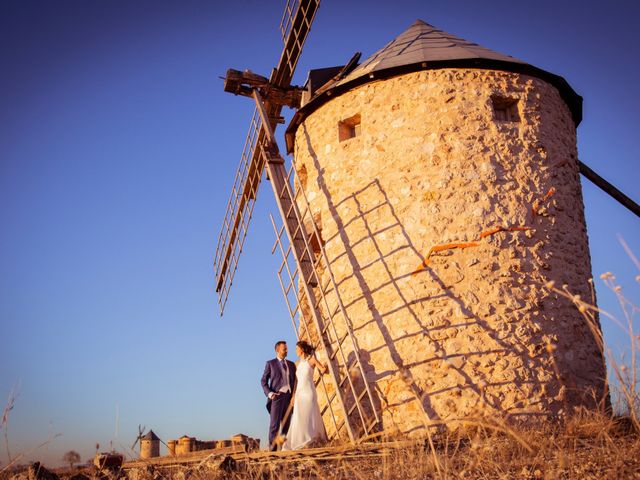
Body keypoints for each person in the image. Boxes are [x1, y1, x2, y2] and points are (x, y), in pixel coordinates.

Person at [282, 340, 328, 450]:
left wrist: (325, 366)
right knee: (299, 417)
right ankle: (300, 440)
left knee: (310, 415)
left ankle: (312, 439)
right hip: (299, 394)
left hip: (309, 392)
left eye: (297, 348)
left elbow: (322, 370)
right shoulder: (297, 364)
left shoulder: (312, 360)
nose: (295, 350)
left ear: (302, 349)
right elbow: (296, 382)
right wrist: (293, 396)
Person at [261, 340, 297, 451]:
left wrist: (293, 395)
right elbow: (263, 381)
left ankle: (285, 449)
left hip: (288, 397)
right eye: (284, 349)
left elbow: (295, 381)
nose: (286, 350)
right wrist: (270, 394)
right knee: (274, 426)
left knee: (286, 425)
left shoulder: (291, 364)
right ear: (277, 350)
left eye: (286, 348)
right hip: (276, 397)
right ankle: (273, 451)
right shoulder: (270, 364)